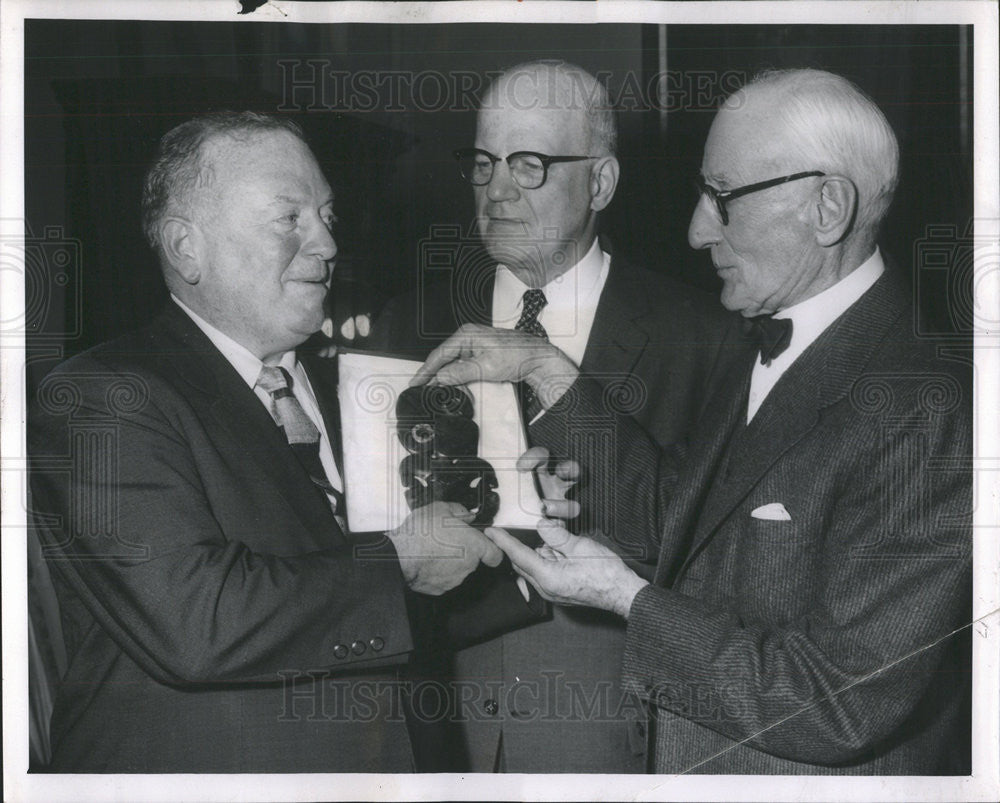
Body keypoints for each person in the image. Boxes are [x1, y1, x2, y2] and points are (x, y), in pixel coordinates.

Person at [413, 69, 972, 774]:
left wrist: (626, 597)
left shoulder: (926, 407)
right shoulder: (763, 341)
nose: (696, 229)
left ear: (827, 206)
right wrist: (544, 368)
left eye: (724, 198)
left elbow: (839, 699)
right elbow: (680, 521)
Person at [27, 111, 503, 773]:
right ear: (186, 247)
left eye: (328, 216)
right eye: (290, 218)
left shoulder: (361, 389)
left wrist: (520, 529)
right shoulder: (103, 397)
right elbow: (197, 620)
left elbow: (396, 612)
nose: (329, 245)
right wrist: (399, 561)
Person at [369, 60, 732, 772]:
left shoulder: (705, 339)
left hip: (619, 747)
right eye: (483, 163)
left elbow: (713, 562)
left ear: (600, 181)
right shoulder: (404, 324)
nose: (497, 190)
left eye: (529, 164)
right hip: (439, 740)